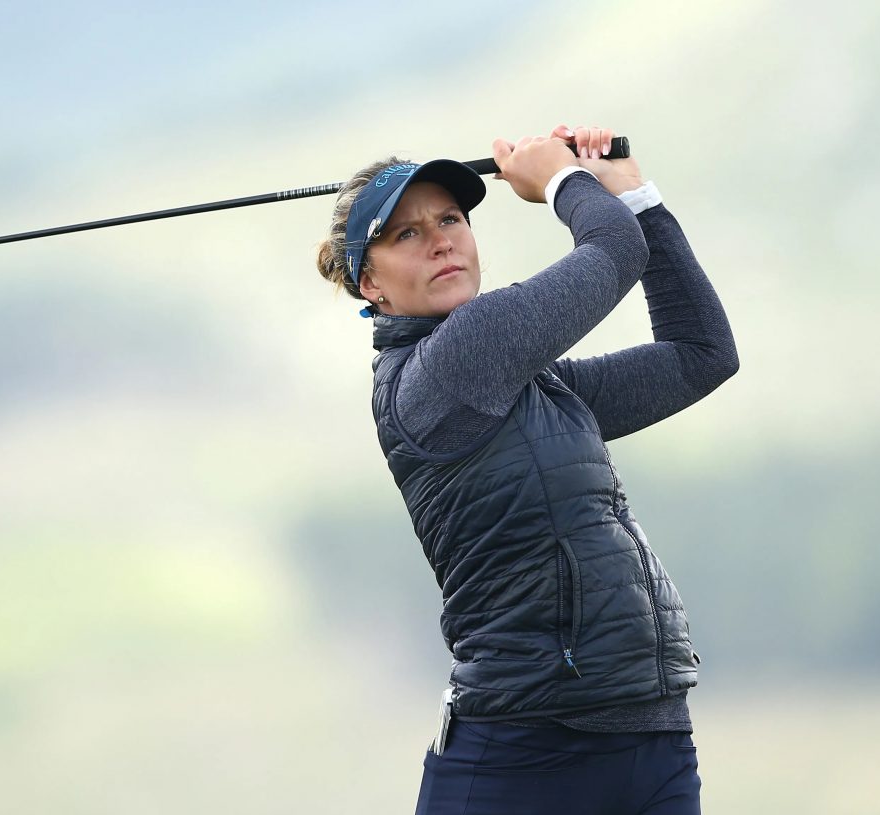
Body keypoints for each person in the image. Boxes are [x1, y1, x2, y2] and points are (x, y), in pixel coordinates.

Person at [315, 125, 738, 815]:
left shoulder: (539, 388)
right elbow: (613, 251)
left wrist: (637, 196)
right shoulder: (453, 366)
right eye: (406, 235)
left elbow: (701, 352)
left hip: (653, 741)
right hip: (524, 758)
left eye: (450, 218)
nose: (441, 239)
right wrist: (562, 181)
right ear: (371, 282)